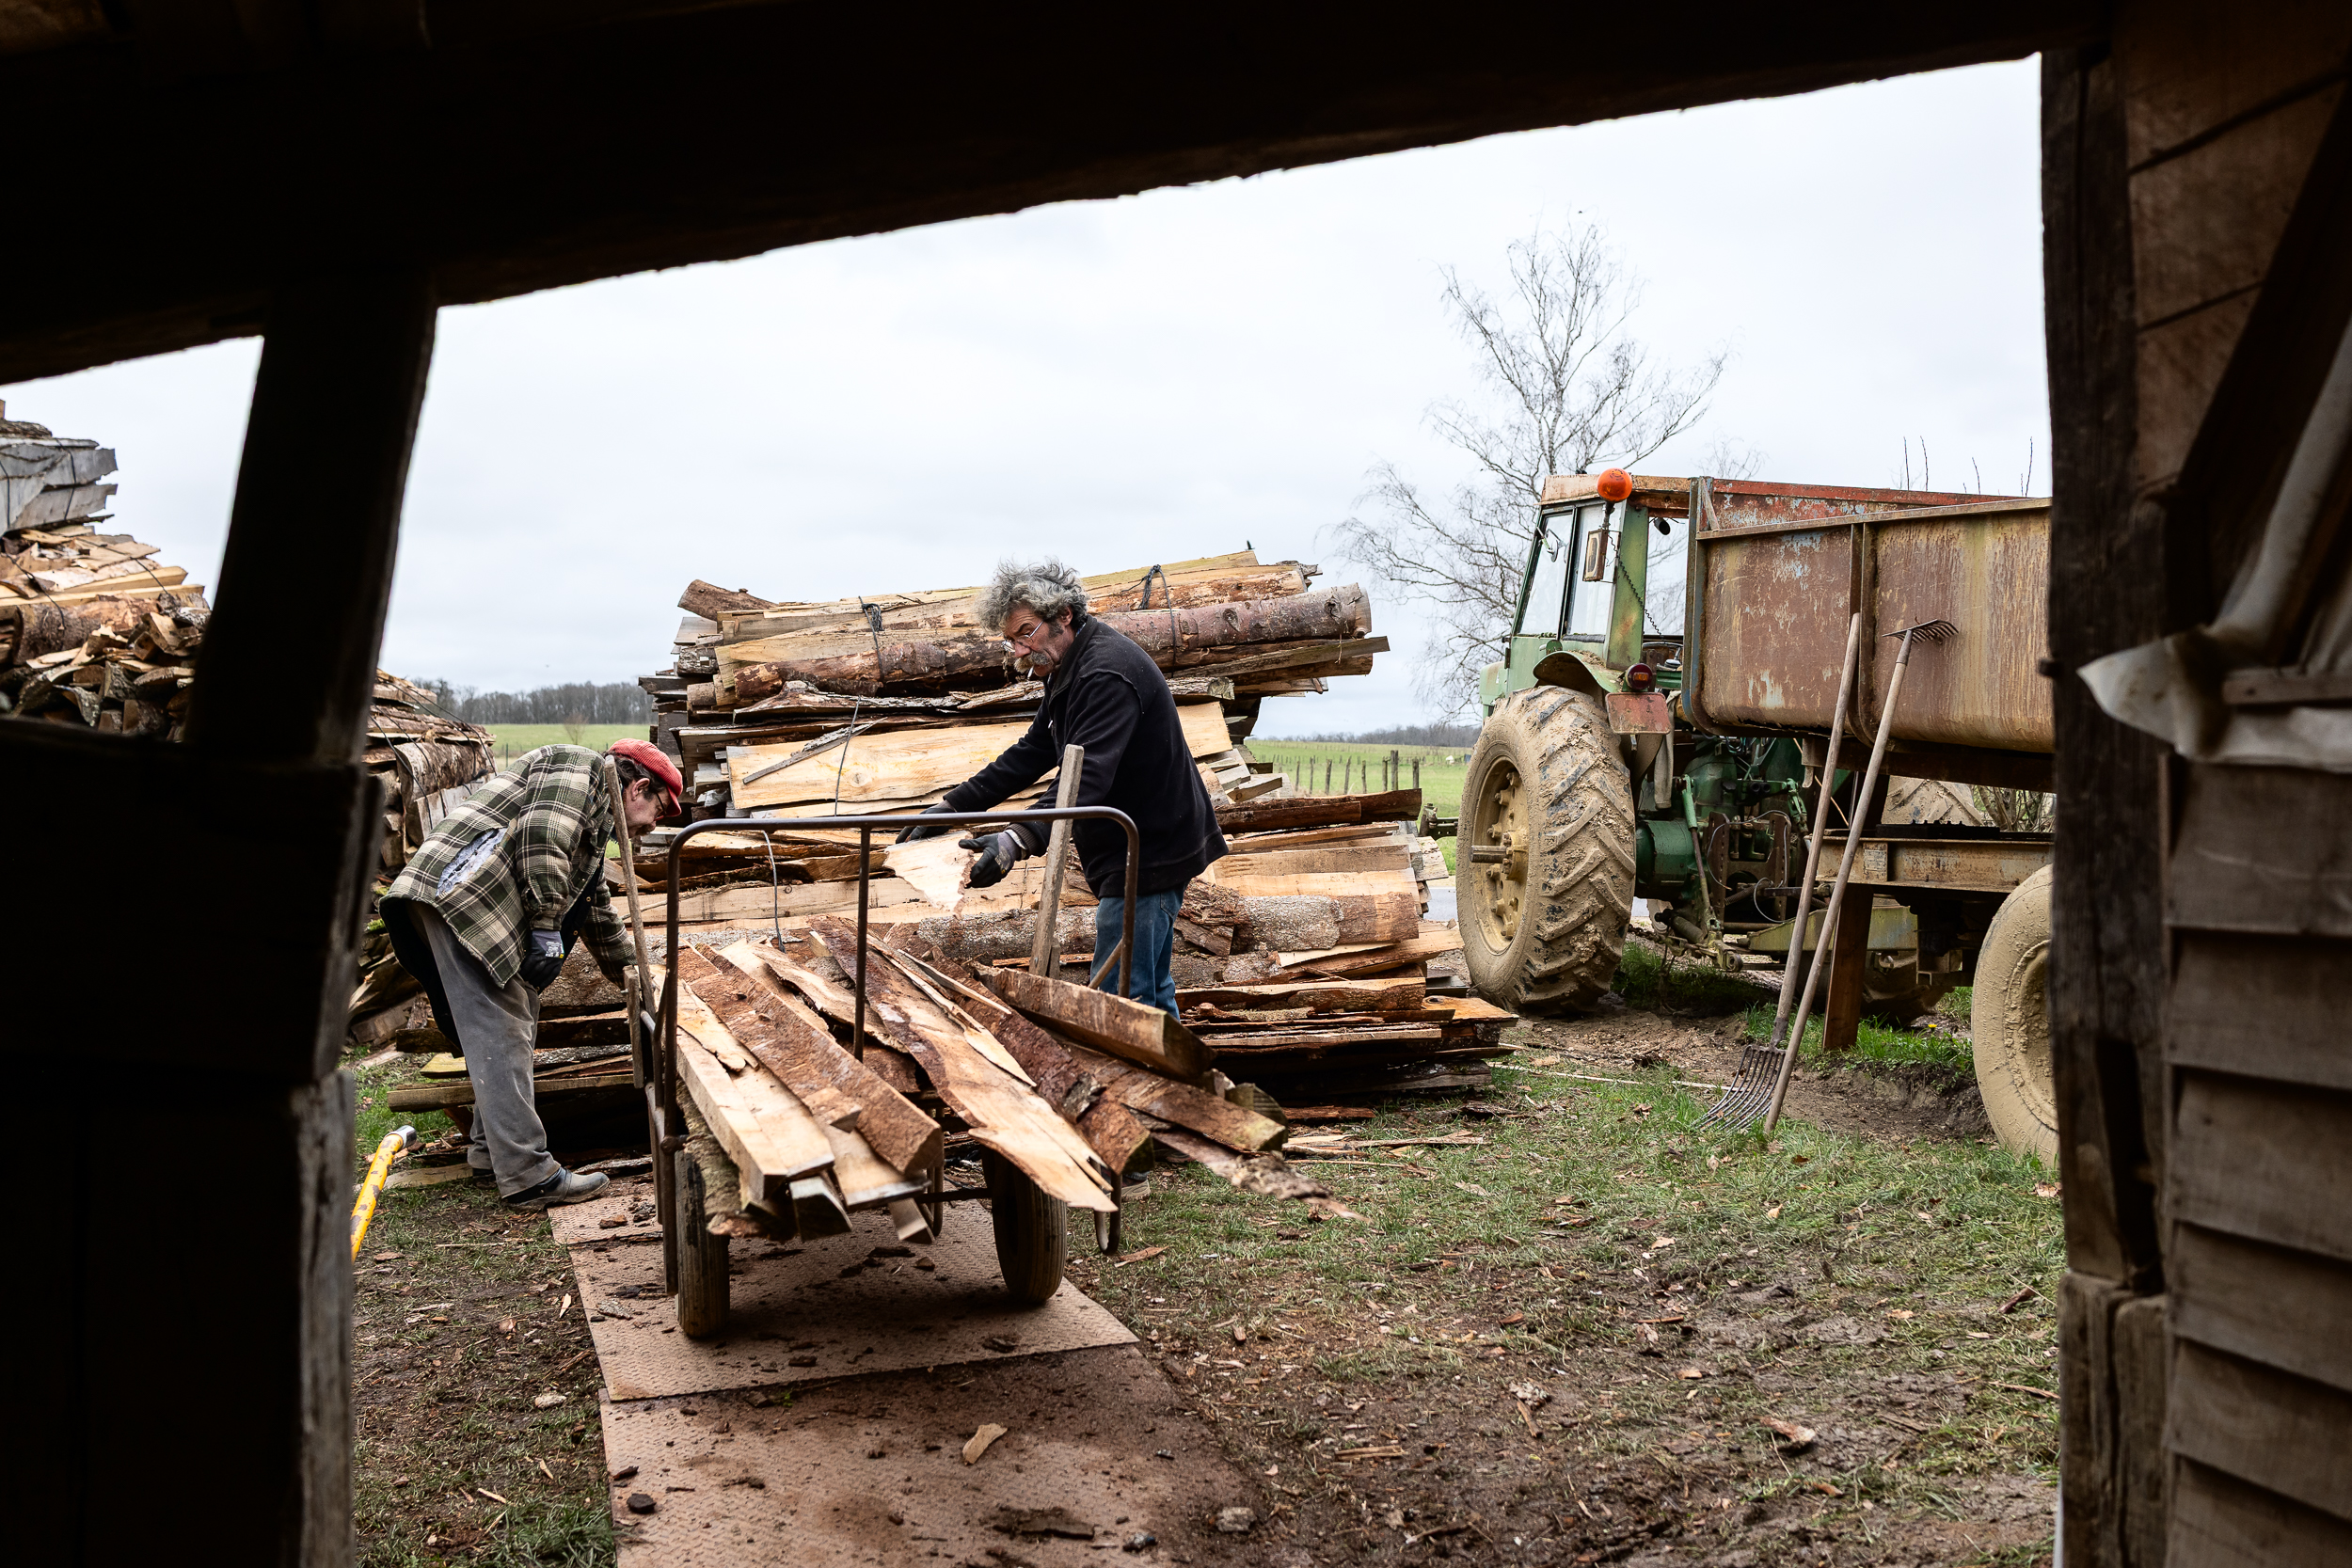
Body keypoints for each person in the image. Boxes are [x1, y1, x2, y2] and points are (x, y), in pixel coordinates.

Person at [898, 558, 1226, 1018]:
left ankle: (1147, 1086)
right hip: (1134, 842)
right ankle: (1179, 1085)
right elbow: (1033, 752)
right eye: (1010, 639)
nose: (1017, 650)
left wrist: (1015, 839)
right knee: (1146, 988)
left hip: (1150, 849)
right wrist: (952, 807)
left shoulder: (1105, 673)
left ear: (1063, 617)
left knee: (1122, 1000)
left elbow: (1085, 778)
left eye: (1026, 633)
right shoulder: (1067, 669)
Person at [381, 737, 680, 1209]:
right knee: (500, 1028)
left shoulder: (597, 816)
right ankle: (529, 1176)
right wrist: (544, 925)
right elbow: (542, 836)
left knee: (512, 1019)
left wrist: (640, 980)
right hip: (464, 894)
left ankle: (487, 1153)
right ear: (639, 787)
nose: (656, 823)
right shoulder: (578, 766)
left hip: (465, 898)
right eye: (660, 810)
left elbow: (596, 910)